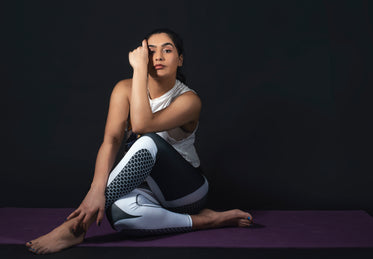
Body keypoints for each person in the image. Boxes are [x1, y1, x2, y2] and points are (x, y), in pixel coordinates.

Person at [26, 28, 253, 254]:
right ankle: (207, 221)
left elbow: (142, 125)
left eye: (167, 50)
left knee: (146, 141)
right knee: (122, 215)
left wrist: (138, 69)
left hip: (186, 191)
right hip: (147, 190)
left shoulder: (189, 100)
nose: (158, 57)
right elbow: (111, 141)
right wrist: (95, 190)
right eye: (151, 51)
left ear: (180, 59)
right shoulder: (123, 89)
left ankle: (75, 228)